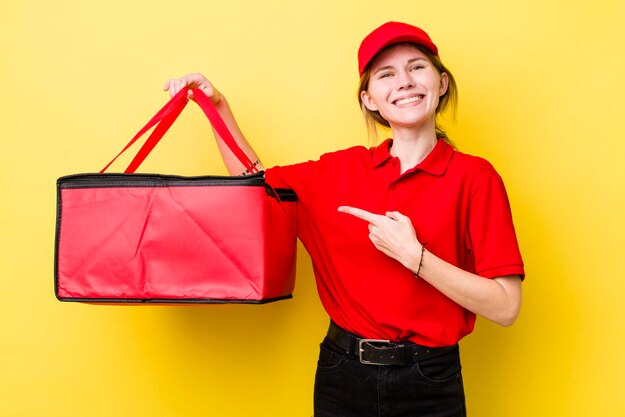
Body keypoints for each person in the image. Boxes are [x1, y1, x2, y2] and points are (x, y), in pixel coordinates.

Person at [164, 21, 524, 417]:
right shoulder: (339, 172)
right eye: (386, 75)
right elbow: (255, 188)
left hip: (431, 380)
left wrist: (416, 257)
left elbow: (506, 307)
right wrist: (219, 108)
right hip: (343, 375)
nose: (404, 81)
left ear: (440, 83)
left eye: (416, 67)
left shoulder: (476, 178)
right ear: (369, 99)